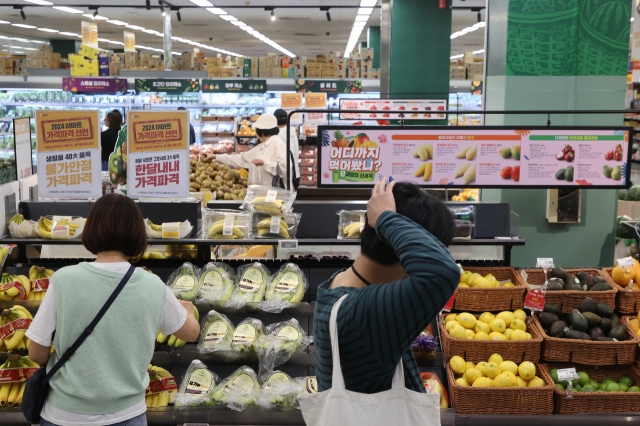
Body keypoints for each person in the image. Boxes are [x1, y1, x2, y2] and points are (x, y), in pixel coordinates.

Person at [27, 193, 200, 426]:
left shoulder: (63, 280)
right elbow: (190, 333)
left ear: (91, 231)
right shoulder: (152, 286)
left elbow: (36, 353)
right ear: (138, 235)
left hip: (64, 414)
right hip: (127, 414)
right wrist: (188, 312)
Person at [314, 180, 459, 394]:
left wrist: (384, 220)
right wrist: (386, 218)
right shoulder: (365, 312)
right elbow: (444, 272)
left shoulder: (341, 284)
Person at [208, 113, 289, 187]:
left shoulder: (278, 144)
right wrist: (215, 157)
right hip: (263, 194)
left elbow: (285, 170)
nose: (256, 134)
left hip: (275, 195)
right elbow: (241, 159)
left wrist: (264, 163)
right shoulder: (261, 147)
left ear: (263, 131)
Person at [274, 109, 300, 190]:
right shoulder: (292, 132)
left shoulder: (277, 135)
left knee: (286, 200)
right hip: (296, 173)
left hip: (286, 176)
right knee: (293, 198)